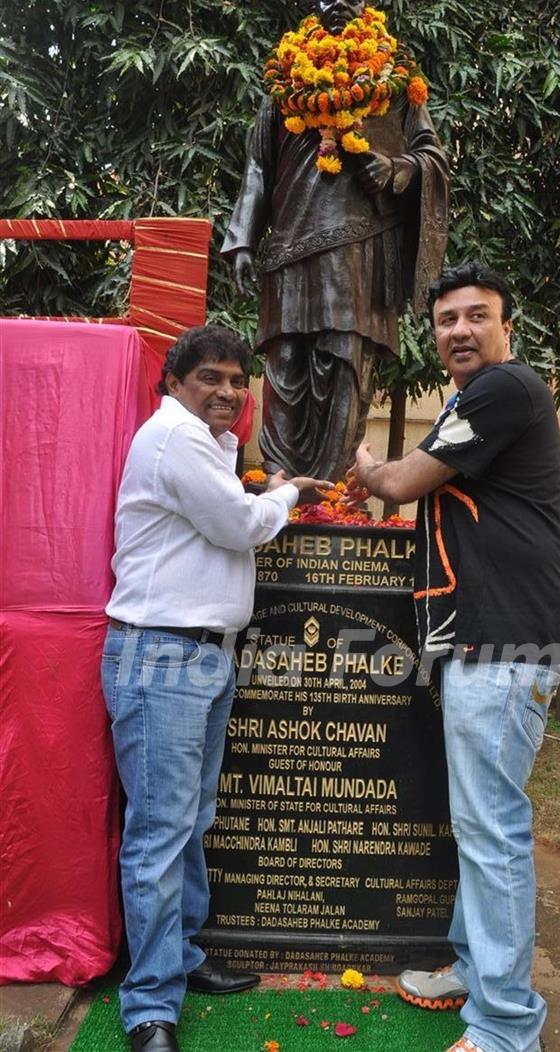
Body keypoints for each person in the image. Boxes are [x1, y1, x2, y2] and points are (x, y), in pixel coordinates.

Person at [345, 264, 560, 1052]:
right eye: (447, 321)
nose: (461, 331)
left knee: (492, 831)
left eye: (478, 316)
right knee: (478, 825)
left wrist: (367, 466)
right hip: (482, 640)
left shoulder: (504, 390)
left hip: (507, 641)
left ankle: (507, 1027)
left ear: (508, 326)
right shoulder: (473, 400)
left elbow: (405, 482)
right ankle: (476, 973)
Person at [102, 325, 330, 1052]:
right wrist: (288, 493)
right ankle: (148, 1008)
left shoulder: (209, 443)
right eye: (211, 378)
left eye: (238, 380)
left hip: (201, 657)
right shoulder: (175, 439)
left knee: (190, 822)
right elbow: (237, 525)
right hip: (161, 657)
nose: (229, 392)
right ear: (173, 382)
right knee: (161, 836)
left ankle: (183, 959)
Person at [221, 0, 449, 481]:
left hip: (357, 250)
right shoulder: (284, 81)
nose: (340, 4)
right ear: (315, 4)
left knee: (343, 365)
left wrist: (397, 169)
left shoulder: (395, 82)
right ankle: (281, 487)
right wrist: (241, 238)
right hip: (288, 250)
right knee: (284, 371)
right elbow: (258, 166)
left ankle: (326, 492)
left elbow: (432, 156)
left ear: (369, 7)